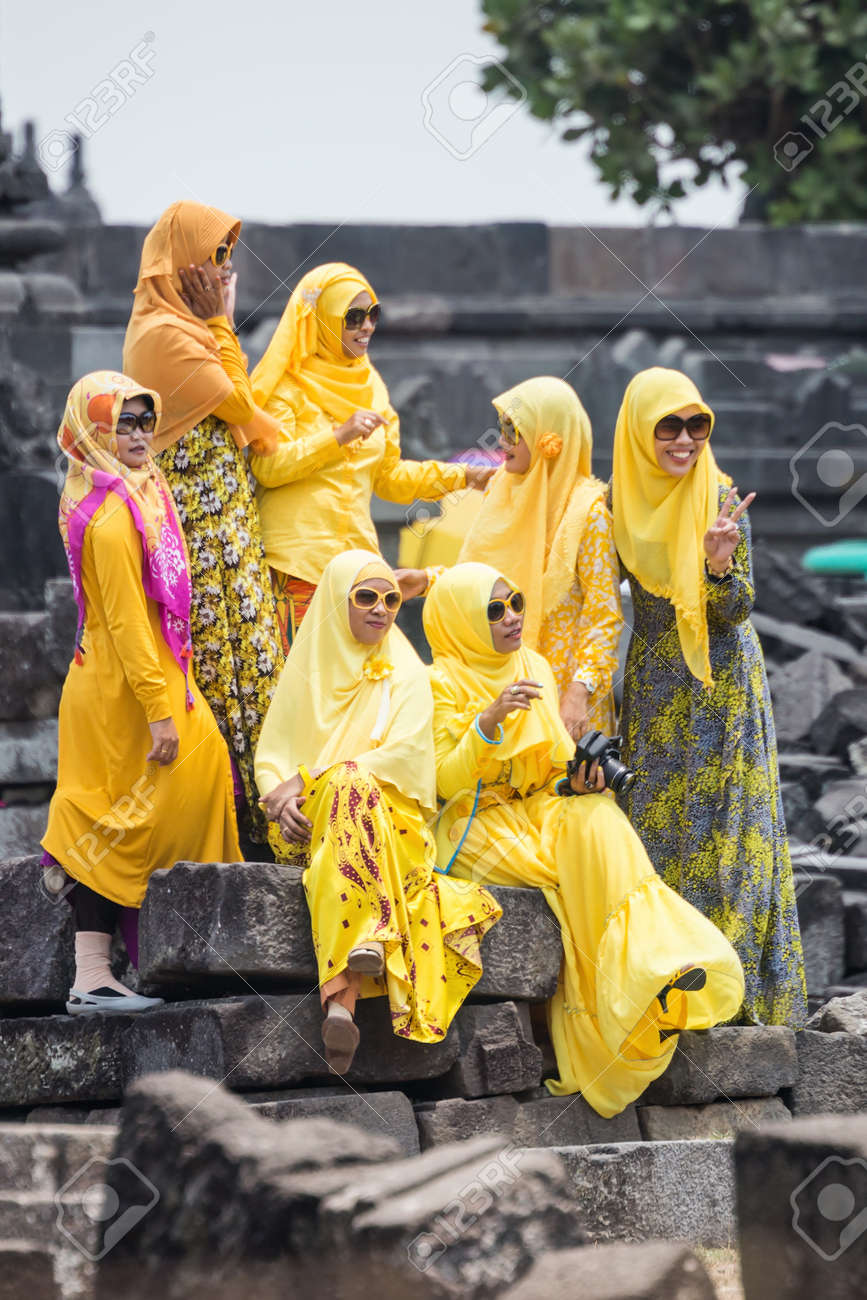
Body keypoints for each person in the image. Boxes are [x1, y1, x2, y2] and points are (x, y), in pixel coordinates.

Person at [424, 562, 744, 1118]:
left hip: (537, 806)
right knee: (563, 875)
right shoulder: (437, 682)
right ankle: (618, 1007)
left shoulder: (537, 667)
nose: (513, 617)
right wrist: (488, 722)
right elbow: (441, 781)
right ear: (459, 620)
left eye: (517, 601)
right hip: (472, 821)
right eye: (494, 609)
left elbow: (548, 769)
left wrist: (576, 780)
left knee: (600, 818)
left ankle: (660, 967)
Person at [611, 367, 807, 1029]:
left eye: (697, 425)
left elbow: (738, 610)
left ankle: (738, 992)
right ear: (640, 429)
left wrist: (718, 566)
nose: (685, 440)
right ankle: (673, 986)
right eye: (669, 425)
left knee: (730, 831)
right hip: (656, 690)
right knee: (658, 834)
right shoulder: (615, 503)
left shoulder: (718, 495)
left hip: (723, 687)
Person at [255, 550, 502, 1075]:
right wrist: (279, 798)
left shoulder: (409, 673)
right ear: (337, 601)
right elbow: (271, 754)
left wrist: (312, 778)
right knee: (346, 783)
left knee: (353, 781)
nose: (382, 608)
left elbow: (406, 759)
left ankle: (341, 1002)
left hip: (393, 825)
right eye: (366, 596)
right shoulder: (307, 661)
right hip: (304, 820)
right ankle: (364, 945)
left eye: (391, 598)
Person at [41, 371, 241, 1014]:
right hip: (121, 690)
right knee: (117, 820)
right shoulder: (109, 517)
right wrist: (160, 713)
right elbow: (126, 624)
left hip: (136, 675)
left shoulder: (127, 488)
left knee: (190, 783)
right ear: (94, 430)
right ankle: (95, 974)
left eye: (145, 420)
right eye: (122, 422)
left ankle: (164, 954)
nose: (138, 434)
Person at [122, 200, 283, 840]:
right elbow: (244, 405)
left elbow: (247, 419)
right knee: (221, 671)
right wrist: (222, 323)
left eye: (228, 257)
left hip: (229, 535)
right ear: (178, 261)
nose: (224, 269)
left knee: (255, 670)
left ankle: (262, 824)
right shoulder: (166, 336)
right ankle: (231, 832)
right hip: (202, 535)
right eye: (213, 255)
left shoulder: (182, 329)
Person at [248, 262, 495, 652]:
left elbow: (389, 478)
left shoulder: (372, 388)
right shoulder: (286, 387)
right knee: (305, 687)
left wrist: (464, 476)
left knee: (366, 689)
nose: (367, 327)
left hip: (358, 568)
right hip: (297, 566)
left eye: (373, 315)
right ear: (323, 320)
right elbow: (267, 467)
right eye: (353, 317)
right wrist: (338, 436)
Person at [456, 375, 622, 739]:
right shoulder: (502, 491)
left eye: (515, 430)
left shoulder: (589, 512)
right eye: (503, 428)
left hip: (564, 698)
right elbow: (474, 580)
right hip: (502, 687)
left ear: (549, 438)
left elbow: (604, 615)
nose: (503, 442)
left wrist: (579, 693)